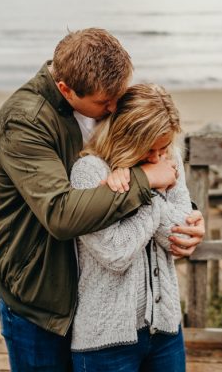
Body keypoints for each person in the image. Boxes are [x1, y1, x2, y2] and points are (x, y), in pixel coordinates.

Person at [0, 28, 205, 371]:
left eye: (118, 96)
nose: (114, 109)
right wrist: (145, 180)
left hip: (95, 302)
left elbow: (149, 163)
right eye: (105, 103)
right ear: (65, 89)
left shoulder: (99, 96)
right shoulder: (26, 120)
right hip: (42, 301)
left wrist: (190, 214)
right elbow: (61, 214)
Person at [69, 83, 191, 371]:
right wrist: (148, 185)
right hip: (104, 343)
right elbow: (115, 253)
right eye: (150, 150)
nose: (158, 158)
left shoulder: (167, 160)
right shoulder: (89, 172)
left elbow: (180, 234)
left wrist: (146, 183)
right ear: (127, 138)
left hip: (166, 330)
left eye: (164, 149)